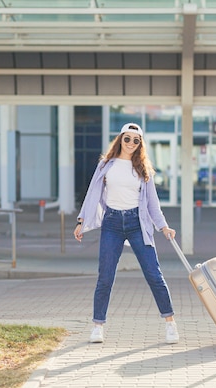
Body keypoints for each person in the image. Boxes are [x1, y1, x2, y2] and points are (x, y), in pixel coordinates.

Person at [74, 122, 180, 344]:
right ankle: (97, 326)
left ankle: (170, 323)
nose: (131, 143)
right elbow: (92, 194)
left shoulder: (143, 169)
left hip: (136, 223)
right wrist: (81, 221)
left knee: (154, 274)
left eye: (136, 140)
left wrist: (163, 227)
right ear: (120, 139)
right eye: (127, 138)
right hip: (112, 223)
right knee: (105, 276)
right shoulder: (106, 165)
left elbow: (153, 204)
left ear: (140, 144)